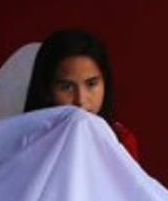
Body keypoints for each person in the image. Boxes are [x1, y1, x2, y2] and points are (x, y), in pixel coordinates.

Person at [23, 29, 139, 161]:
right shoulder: (26, 140)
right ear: (47, 90)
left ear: (105, 83)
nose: (80, 100)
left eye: (91, 84)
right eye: (66, 87)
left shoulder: (121, 140)